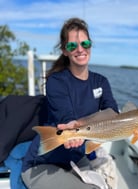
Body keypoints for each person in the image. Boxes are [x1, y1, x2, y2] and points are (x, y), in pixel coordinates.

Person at [21, 17, 119, 189]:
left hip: (77, 158)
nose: (80, 49)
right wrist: (72, 126)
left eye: (85, 43)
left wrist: (135, 123)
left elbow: (112, 111)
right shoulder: (56, 81)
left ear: (90, 45)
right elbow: (65, 114)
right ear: (65, 51)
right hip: (44, 163)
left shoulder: (101, 82)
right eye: (73, 46)